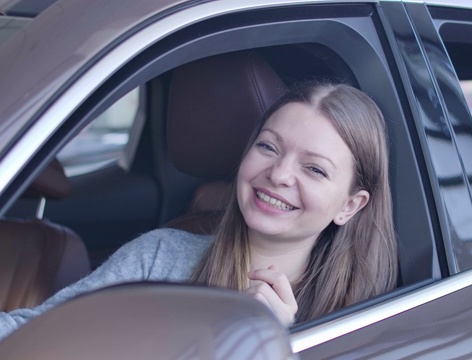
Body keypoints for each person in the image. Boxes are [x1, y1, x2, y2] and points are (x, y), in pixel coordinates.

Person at [0, 82, 397, 339]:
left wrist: (275, 343)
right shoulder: (158, 257)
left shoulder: (369, 320)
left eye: (313, 169)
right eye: (268, 147)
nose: (278, 174)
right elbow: (34, 335)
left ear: (350, 205)